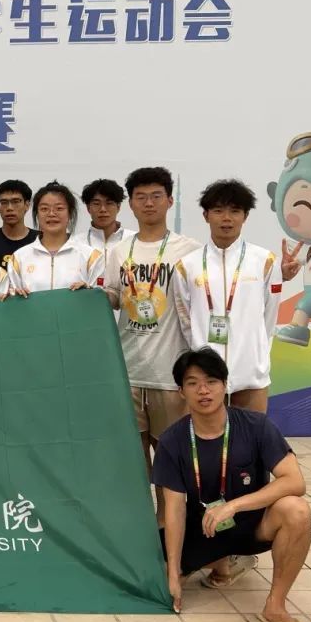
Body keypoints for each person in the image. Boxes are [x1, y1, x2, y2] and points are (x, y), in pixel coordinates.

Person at [155, 349, 311, 622]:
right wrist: (173, 574)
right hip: (203, 529)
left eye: (211, 381)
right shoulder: (172, 441)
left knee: (297, 510)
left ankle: (275, 607)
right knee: (157, 582)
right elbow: (174, 511)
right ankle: (221, 565)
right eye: (192, 383)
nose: (203, 390)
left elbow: (295, 481)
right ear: (181, 392)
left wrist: (234, 506)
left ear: (225, 385)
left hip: (252, 525)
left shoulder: (256, 426)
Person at [102, 167, 201, 523]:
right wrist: (92, 295)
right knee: (133, 456)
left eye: (156, 196)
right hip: (128, 369)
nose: (148, 203)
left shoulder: (189, 251)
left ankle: (168, 524)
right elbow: (114, 297)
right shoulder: (118, 251)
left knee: (170, 455)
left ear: (170, 200)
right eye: (140, 197)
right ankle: (142, 526)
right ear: (130, 204)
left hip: (170, 371)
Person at [174, 180, 282, 413]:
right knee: (208, 435)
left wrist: (257, 353)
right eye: (218, 211)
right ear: (206, 215)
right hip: (206, 375)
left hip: (251, 372)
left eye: (235, 211)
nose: (226, 218)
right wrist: (200, 349)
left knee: (253, 434)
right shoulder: (187, 265)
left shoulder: (265, 261)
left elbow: (270, 316)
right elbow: (185, 319)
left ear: (245, 216)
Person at [9, 181, 104, 293]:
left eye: (59, 208)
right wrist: (14, 295)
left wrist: (89, 292)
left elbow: (100, 297)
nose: (51, 214)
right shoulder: (19, 258)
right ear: (37, 214)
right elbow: (11, 298)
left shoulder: (91, 257)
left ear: (70, 213)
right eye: (44, 209)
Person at [72, 178, 136, 267]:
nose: (103, 209)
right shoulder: (75, 243)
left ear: (118, 207)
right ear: (88, 208)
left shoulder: (134, 240)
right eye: (96, 204)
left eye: (109, 203)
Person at [0, 179, 37, 268]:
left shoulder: (41, 240)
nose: (9, 208)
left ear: (27, 205)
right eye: (4, 202)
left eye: (16, 201)